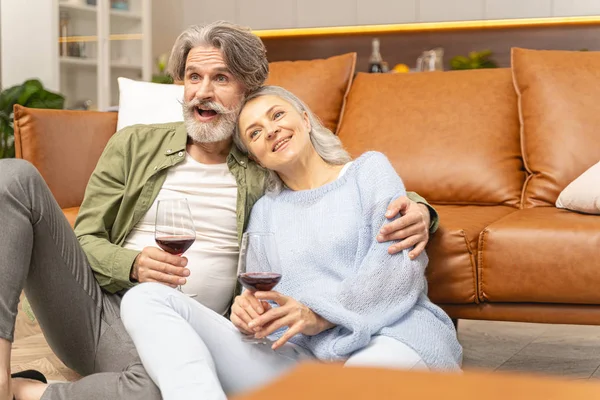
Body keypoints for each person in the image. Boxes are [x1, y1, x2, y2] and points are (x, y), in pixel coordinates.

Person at [0, 21, 439, 400]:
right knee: (14, 175)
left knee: (165, 384)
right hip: (99, 311)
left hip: (191, 327)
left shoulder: (260, 165)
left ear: (247, 89)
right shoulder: (134, 145)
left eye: (220, 78)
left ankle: (31, 392)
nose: (202, 93)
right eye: (193, 77)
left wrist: (419, 209)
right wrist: (131, 264)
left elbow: (332, 186)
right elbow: (83, 243)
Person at [119, 85, 462, 400]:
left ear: (306, 119)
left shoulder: (368, 172)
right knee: (144, 297)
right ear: (255, 157)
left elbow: (397, 272)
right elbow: (264, 302)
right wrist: (247, 313)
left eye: (277, 115)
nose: (270, 130)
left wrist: (318, 314)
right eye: (254, 132)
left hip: (390, 337)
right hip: (300, 357)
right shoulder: (265, 211)